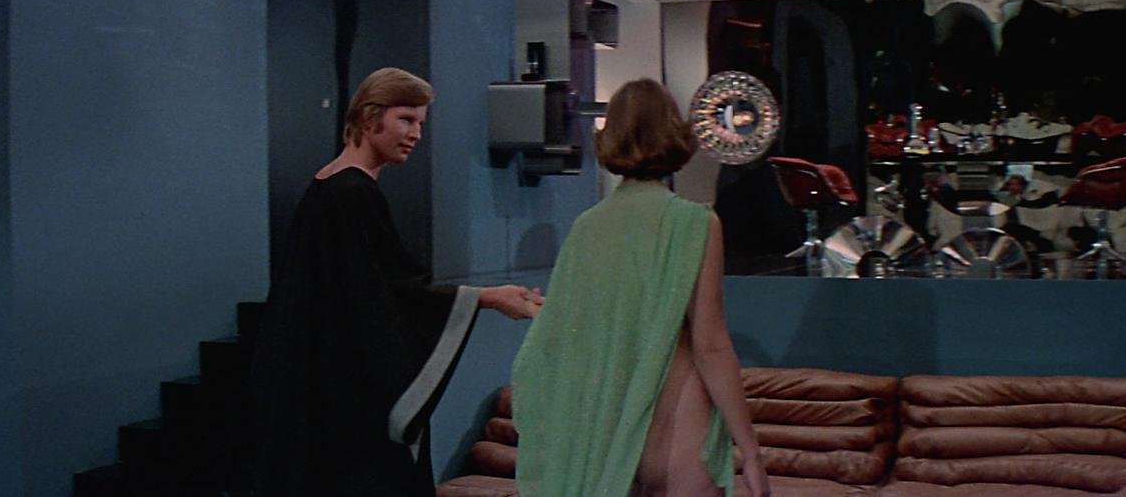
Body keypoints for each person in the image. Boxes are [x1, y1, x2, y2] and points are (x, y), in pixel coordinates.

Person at [249, 67, 544, 496]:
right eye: (406, 119)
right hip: (346, 402)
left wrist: (487, 296)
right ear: (370, 117)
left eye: (420, 122)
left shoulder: (329, 185)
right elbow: (389, 295)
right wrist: (489, 297)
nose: (416, 134)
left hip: (317, 390)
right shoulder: (353, 194)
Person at [510, 78, 770, 497]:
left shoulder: (586, 227)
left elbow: (561, 340)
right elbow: (711, 344)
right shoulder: (695, 223)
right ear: (674, 133)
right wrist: (751, 451)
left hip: (603, 423)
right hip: (679, 417)